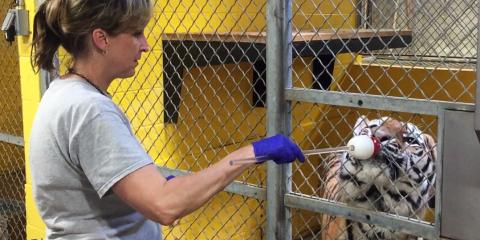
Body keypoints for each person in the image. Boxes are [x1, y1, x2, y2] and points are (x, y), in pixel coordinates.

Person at [29, 0, 305, 239]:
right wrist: (253, 152)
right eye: (136, 34)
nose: (146, 45)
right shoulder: (89, 109)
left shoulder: (64, 93)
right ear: (101, 39)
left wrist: (155, 188)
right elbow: (164, 205)